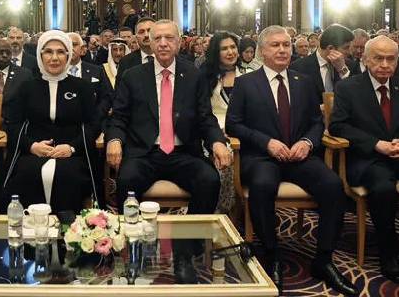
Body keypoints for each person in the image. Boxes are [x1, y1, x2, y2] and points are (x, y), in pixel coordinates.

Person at [226, 25, 357, 296]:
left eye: (286, 45)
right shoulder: (246, 83)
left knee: (333, 186)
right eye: (275, 45)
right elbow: (233, 124)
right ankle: (272, 254)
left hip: (299, 156)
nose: (283, 50)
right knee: (262, 186)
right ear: (262, 51)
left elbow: (316, 122)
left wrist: (307, 142)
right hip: (262, 156)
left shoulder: (303, 81)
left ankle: (324, 259)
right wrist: (267, 142)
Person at [106, 19, 231, 284]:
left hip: (183, 152)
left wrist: (217, 142)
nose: (163, 43)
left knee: (209, 180)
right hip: (144, 153)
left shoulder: (193, 75)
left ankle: (185, 253)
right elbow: (118, 117)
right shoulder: (133, 76)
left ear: (179, 42)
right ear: (149, 43)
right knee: (126, 181)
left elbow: (205, 118)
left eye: (169, 38)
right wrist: (114, 140)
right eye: (158, 38)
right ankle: (135, 250)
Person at [3, 31, 99, 213]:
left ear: (68, 55)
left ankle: (68, 227)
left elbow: (93, 125)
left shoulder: (83, 87)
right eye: (48, 51)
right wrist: (32, 146)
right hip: (33, 152)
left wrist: (71, 148)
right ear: (40, 55)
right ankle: (32, 227)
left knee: (68, 175)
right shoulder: (26, 88)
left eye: (60, 52)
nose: (54, 58)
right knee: (27, 173)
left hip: (72, 153)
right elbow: (13, 125)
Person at [329, 35, 399, 283]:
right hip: (368, 159)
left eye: (391, 59)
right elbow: (338, 126)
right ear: (366, 59)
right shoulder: (349, 88)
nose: (385, 64)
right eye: (379, 58)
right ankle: (389, 255)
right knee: (384, 188)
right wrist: (376, 144)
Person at [199, 32, 245, 214]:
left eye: (233, 47)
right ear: (215, 53)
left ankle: (240, 208)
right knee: (223, 156)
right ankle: (221, 211)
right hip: (213, 131)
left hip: (244, 129)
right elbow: (202, 112)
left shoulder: (249, 74)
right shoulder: (205, 76)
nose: (230, 52)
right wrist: (218, 132)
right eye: (224, 48)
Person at [290, 24, 356, 102]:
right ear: (330, 48)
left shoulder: (350, 65)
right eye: (346, 48)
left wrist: (343, 71)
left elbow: (356, 95)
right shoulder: (299, 67)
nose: (349, 52)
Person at [116, 17, 156, 83]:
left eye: (149, 30)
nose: (146, 35)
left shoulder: (168, 57)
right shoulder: (126, 62)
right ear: (136, 37)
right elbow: (120, 87)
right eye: (141, 32)